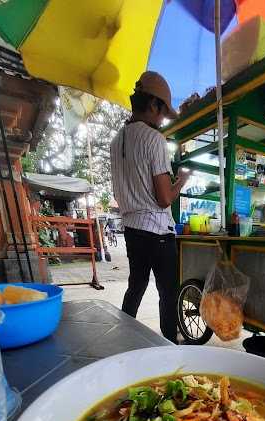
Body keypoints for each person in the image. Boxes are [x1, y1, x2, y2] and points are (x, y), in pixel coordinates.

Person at [110, 71, 189, 343]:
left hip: (131, 229)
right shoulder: (154, 139)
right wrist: (182, 181)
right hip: (157, 231)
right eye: (163, 112)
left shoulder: (116, 140)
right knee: (168, 292)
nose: (162, 119)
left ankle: (125, 339)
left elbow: (120, 188)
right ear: (153, 104)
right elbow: (164, 198)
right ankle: (169, 346)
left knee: (136, 286)